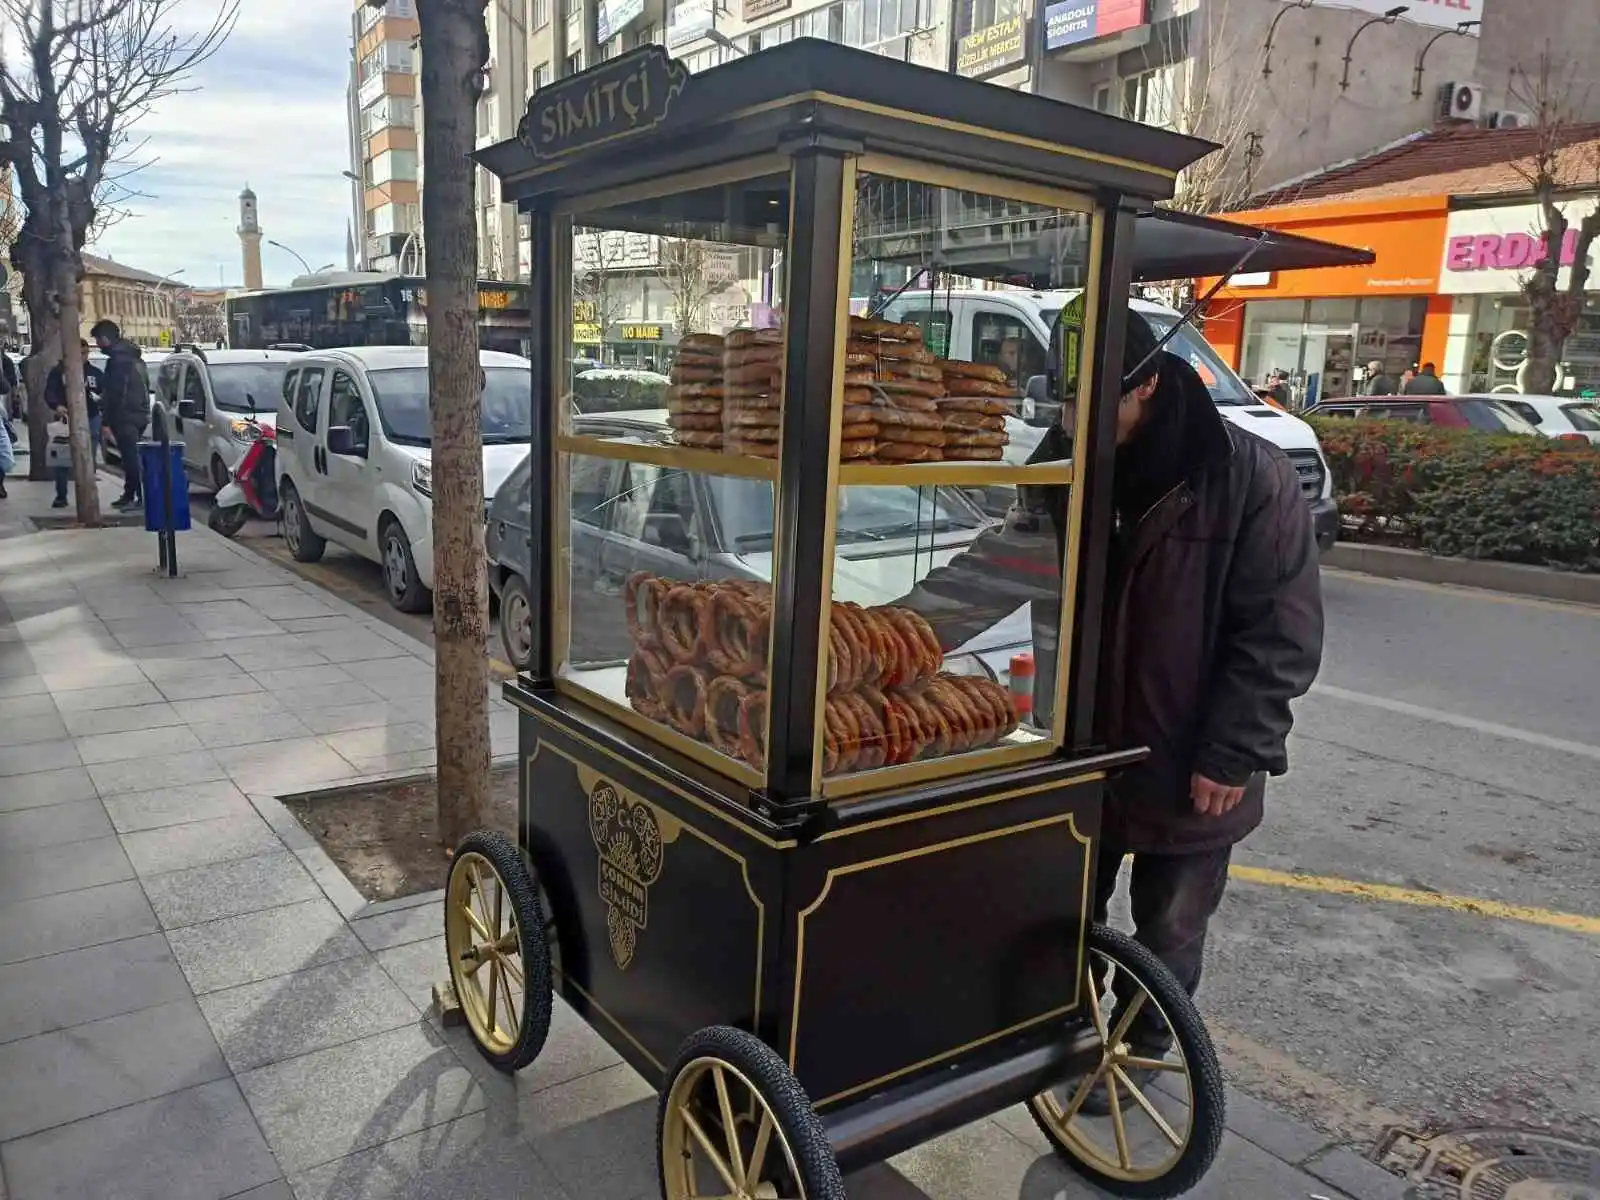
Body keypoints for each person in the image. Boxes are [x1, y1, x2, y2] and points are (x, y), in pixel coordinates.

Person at [899, 310, 1323, 1101]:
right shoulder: (1068, 465)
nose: (1070, 423)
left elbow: (1278, 637)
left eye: (1089, 403)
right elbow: (998, 567)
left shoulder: (1244, 478)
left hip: (1192, 758)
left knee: (1167, 934)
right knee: (1060, 913)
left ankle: (1132, 1058)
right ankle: (1059, 1041)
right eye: (1061, 404)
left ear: (1150, 385)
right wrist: (895, 634)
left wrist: (1232, 752)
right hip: (1081, 751)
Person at [91, 319, 150, 510]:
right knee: (129, 457)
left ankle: (140, 498)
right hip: (138, 413)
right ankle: (130, 493)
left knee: (131, 458)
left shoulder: (118, 361)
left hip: (125, 416)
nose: (98, 345)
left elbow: (115, 393)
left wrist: (107, 421)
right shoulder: (133, 356)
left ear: (106, 338)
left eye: (98, 340)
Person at [45, 340, 105, 508]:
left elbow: (104, 393)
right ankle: (61, 495)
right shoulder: (58, 373)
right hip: (65, 420)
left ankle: (89, 490)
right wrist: (57, 406)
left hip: (91, 418)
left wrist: (101, 403)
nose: (83, 356)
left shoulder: (95, 373)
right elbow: (49, 392)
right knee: (62, 458)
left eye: (85, 353)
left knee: (89, 456)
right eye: (80, 353)